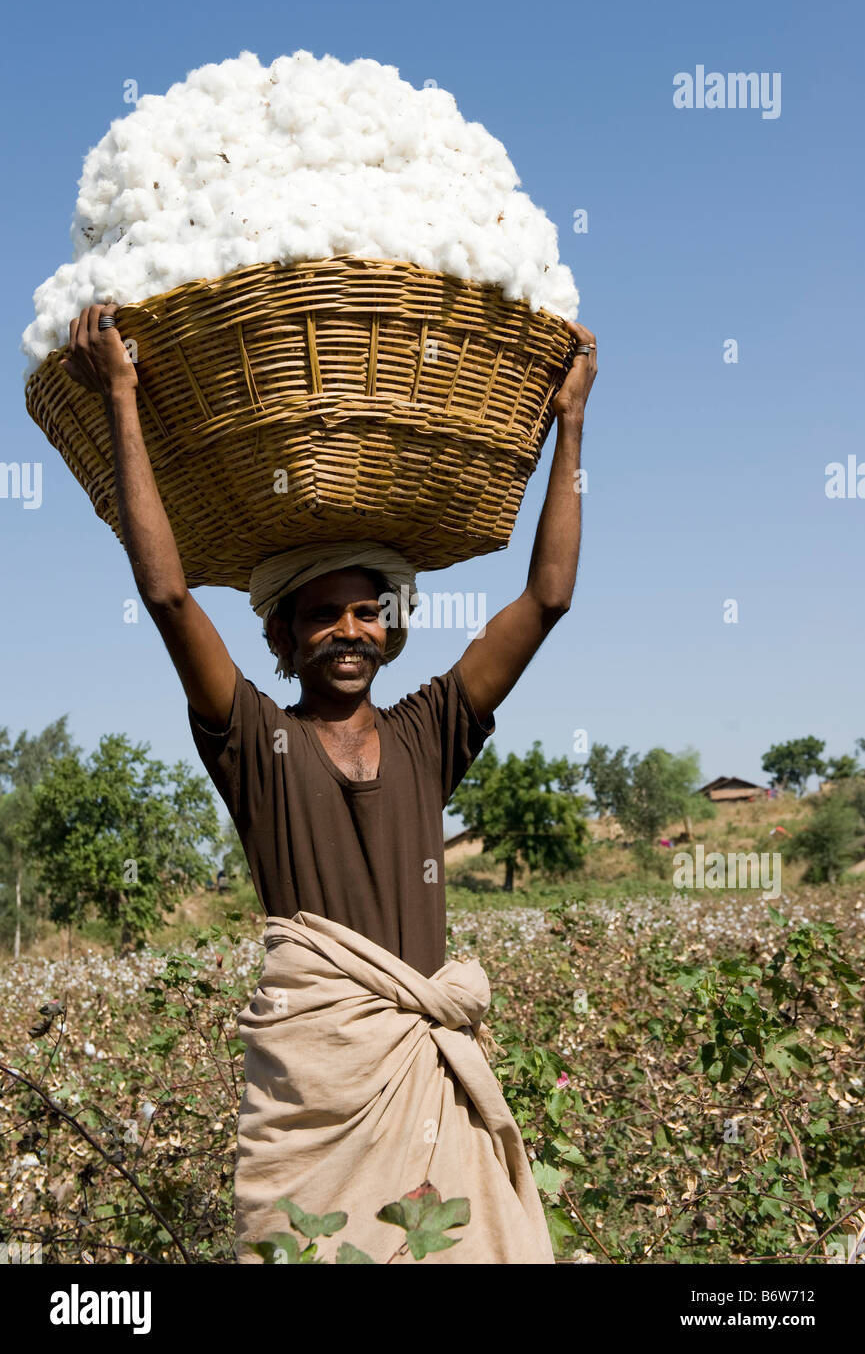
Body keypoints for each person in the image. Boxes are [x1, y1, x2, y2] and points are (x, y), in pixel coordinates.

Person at [61, 301, 597, 1265]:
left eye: (367, 613)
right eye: (321, 616)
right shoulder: (252, 741)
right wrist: (122, 398)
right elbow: (168, 594)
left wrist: (570, 422)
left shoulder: (430, 730)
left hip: (425, 1074)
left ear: (390, 631)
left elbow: (548, 597)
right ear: (281, 636)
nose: (347, 631)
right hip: (318, 1079)